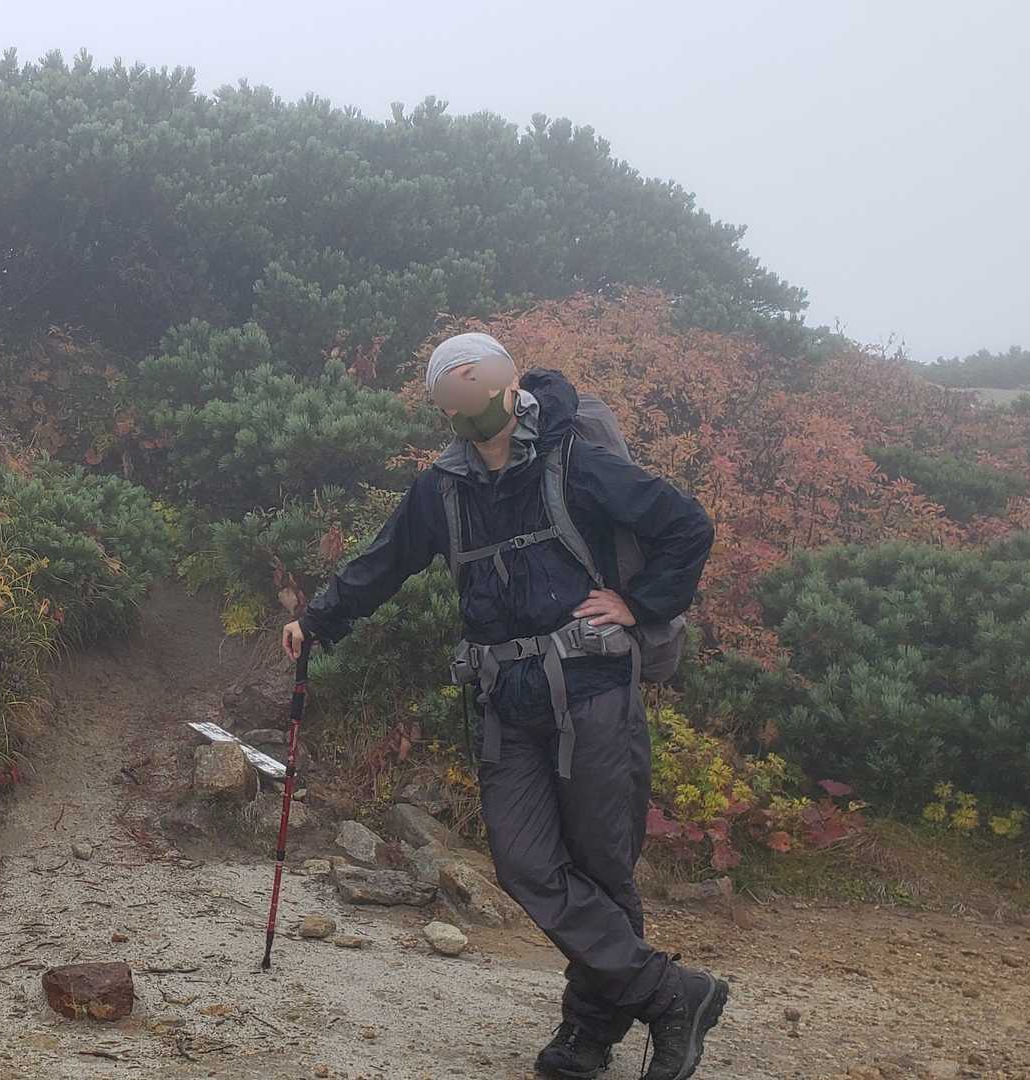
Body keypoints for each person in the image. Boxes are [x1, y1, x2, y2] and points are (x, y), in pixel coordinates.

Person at [280, 333, 726, 1080]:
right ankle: (670, 993)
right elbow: (385, 561)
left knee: (601, 866)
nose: (469, 411)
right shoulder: (442, 488)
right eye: (451, 400)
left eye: (477, 391)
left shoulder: (576, 461)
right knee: (524, 864)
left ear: (508, 385)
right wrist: (318, 620)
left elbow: (686, 526)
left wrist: (640, 603)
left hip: (591, 688)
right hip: (504, 698)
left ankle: (588, 1034)